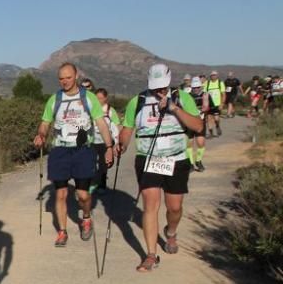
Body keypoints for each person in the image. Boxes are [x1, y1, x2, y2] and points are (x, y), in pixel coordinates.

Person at [118, 65, 203, 272]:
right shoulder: (137, 102)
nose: (159, 92)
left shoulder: (183, 97)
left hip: (176, 160)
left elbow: (198, 126)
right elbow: (128, 128)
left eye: (163, 87)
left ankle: (171, 232)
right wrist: (121, 144)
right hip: (148, 160)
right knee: (150, 205)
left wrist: (174, 108)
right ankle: (150, 255)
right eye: (156, 88)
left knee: (174, 207)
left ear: (169, 81)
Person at [33, 63, 114, 247]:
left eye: (68, 77)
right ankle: (62, 231)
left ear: (76, 76)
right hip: (60, 150)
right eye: (61, 78)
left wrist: (109, 146)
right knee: (60, 194)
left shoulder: (89, 98)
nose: (65, 81)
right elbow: (45, 122)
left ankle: (86, 218)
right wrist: (41, 135)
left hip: (83, 150)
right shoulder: (54, 100)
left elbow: (100, 123)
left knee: (83, 195)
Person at [91, 88, 122, 193]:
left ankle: (101, 185)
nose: (98, 100)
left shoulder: (110, 111)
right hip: (92, 140)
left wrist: (117, 143)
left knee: (103, 163)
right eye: (96, 98)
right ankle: (92, 182)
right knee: (90, 162)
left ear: (105, 98)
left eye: (100, 98)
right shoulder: (91, 109)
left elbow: (117, 126)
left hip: (105, 141)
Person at [185, 77, 210, 171]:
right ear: (191, 87)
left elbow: (209, 108)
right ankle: (190, 164)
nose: (196, 89)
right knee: (189, 144)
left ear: (201, 87)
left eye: (198, 87)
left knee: (201, 143)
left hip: (200, 122)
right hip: (189, 123)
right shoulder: (187, 96)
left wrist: (205, 108)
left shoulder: (206, 95)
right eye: (194, 87)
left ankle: (198, 161)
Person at [203, 70, 226, 137]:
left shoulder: (220, 83)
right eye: (212, 75)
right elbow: (204, 93)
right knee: (209, 118)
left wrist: (222, 104)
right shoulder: (207, 83)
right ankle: (211, 133)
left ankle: (217, 126)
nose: (213, 76)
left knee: (216, 118)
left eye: (214, 75)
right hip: (209, 104)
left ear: (217, 76)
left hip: (217, 104)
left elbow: (223, 94)